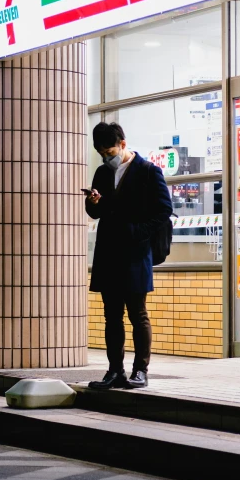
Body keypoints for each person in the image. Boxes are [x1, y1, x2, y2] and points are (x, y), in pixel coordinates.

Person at [85, 122, 173, 390]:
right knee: (111, 315)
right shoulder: (102, 172)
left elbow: (163, 211)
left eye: (109, 151)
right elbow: (95, 214)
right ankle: (115, 371)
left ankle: (141, 371)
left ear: (123, 144)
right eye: (101, 153)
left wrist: (137, 232)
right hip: (109, 252)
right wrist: (93, 203)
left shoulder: (148, 171)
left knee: (137, 314)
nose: (106, 157)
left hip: (135, 253)